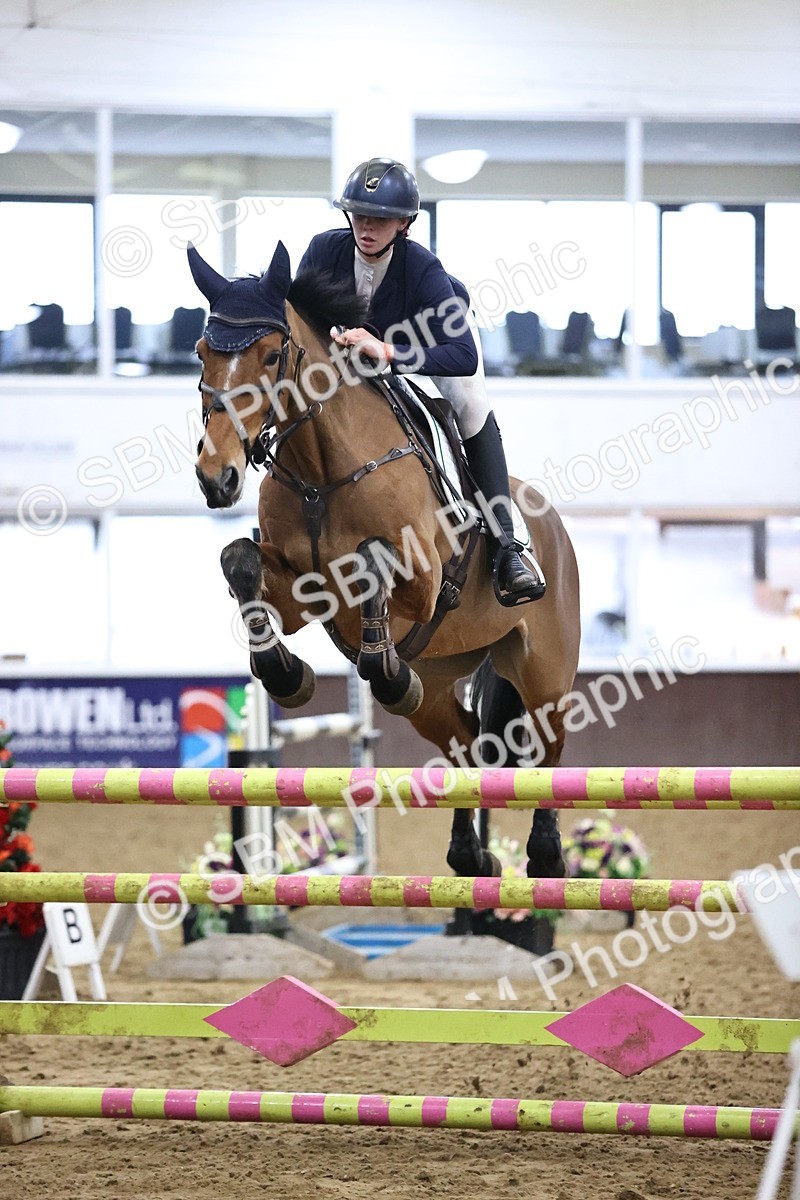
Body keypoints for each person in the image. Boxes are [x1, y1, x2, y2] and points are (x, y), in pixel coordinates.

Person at [298, 156, 545, 604]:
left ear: (405, 224)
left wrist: (389, 353)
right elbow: (299, 323)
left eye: (380, 219)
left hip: (431, 343)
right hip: (351, 358)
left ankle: (507, 546)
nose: (366, 227)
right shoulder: (322, 251)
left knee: (470, 404)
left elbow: (464, 356)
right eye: (359, 215)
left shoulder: (424, 269)